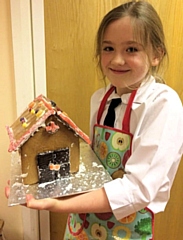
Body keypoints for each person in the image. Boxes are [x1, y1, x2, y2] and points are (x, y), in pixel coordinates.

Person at [5, 1, 183, 239]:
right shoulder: (100, 98)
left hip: (126, 228)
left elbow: (137, 190)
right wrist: (54, 188)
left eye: (131, 49)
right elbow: (92, 165)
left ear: (156, 54)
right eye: (108, 48)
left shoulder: (163, 104)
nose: (117, 60)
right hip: (82, 221)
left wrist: (59, 205)